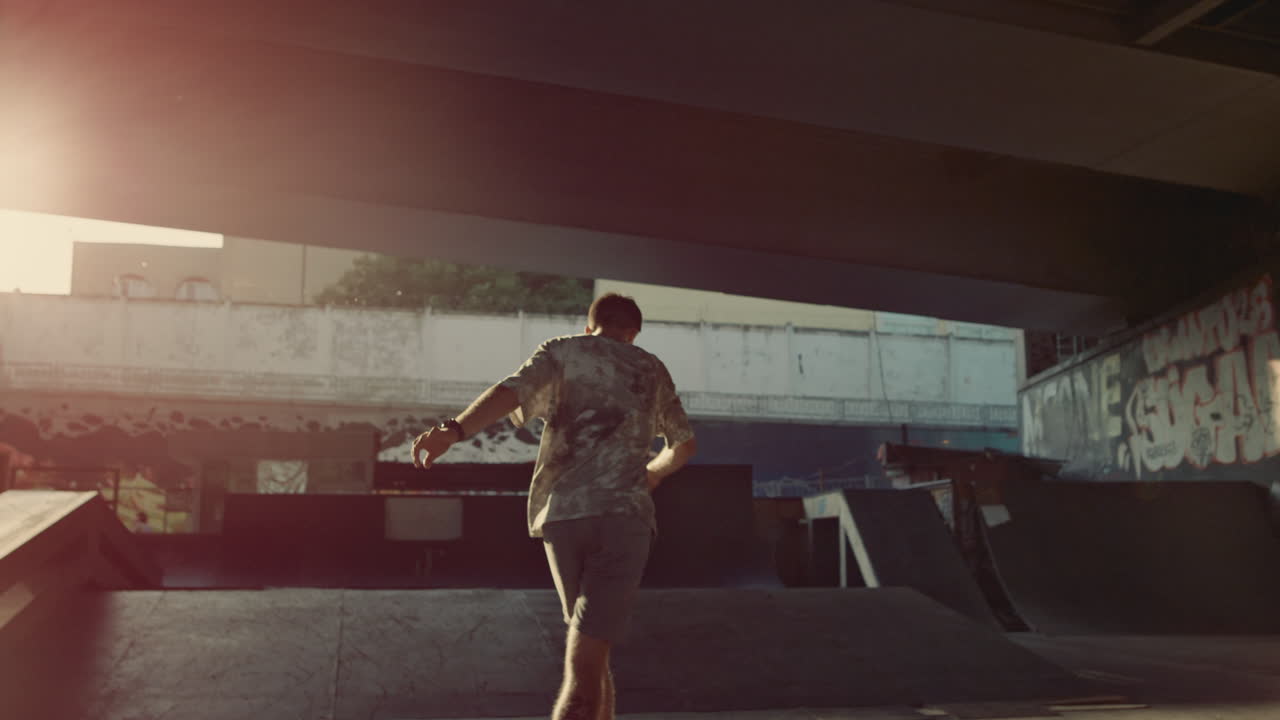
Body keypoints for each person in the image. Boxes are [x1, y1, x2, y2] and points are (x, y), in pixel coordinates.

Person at [412, 292, 697, 720]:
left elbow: (509, 392)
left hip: (562, 519)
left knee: (589, 648)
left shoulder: (562, 351)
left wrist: (453, 430)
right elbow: (684, 445)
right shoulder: (650, 368)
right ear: (633, 334)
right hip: (623, 519)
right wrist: (653, 473)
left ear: (590, 325)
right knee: (586, 664)